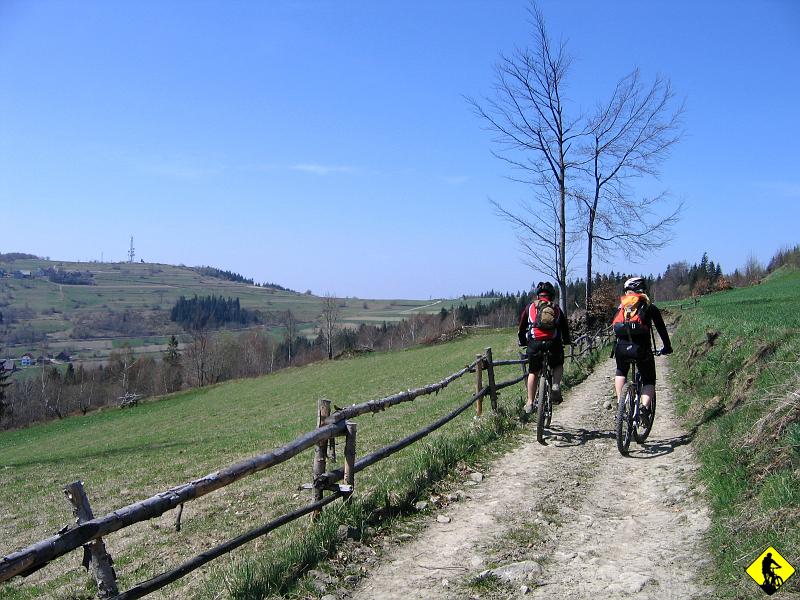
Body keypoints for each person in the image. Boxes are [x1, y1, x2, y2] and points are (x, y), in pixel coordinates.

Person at [613, 277, 672, 419]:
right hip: (641, 350)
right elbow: (661, 329)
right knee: (649, 379)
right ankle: (644, 409)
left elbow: (614, 327)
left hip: (621, 348)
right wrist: (667, 346)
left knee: (621, 371)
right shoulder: (648, 306)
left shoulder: (621, 307)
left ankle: (621, 405)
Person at [518, 281, 571, 416]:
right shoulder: (556, 309)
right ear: (552, 296)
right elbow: (564, 329)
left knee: (533, 372)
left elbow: (522, 327)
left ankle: (530, 402)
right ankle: (556, 385)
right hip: (553, 343)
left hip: (534, 344)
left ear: (538, 296)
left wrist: (523, 341)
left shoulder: (530, 308)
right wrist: (567, 341)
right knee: (558, 364)